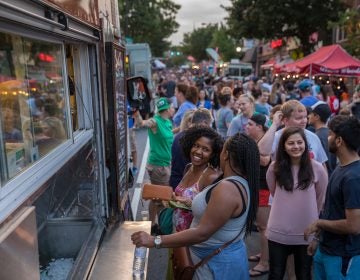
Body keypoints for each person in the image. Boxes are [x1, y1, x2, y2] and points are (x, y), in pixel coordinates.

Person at [131, 133, 260, 280]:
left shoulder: (227, 188)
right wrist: (190, 203)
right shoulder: (239, 182)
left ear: (226, 155)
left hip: (214, 266)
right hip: (218, 260)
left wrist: (155, 241)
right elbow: (216, 213)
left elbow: (201, 233)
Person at [266, 127, 328, 279]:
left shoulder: (318, 168)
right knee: (275, 274)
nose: (296, 146)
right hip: (278, 231)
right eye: (291, 143)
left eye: (300, 142)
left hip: (306, 231)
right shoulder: (275, 167)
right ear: (284, 146)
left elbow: (320, 199)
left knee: (304, 274)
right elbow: (274, 192)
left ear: (305, 144)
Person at [304, 115, 360, 279]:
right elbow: (332, 209)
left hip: (343, 257)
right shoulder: (342, 167)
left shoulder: (353, 177)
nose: (327, 137)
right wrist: (318, 238)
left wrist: (319, 223)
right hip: (327, 249)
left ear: (339, 140)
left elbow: (354, 226)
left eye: (331, 134)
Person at [173, 125, 223, 232]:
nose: (198, 151)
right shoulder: (188, 167)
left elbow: (212, 214)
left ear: (213, 154)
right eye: (196, 145)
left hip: (193, 238)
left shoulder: (210, 177)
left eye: (205, 149)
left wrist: (190, 204)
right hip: (176, 233)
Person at [134, 97, 174, 225]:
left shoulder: (167, 122)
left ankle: (153, 224)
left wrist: (183, 128)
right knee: (161, 198)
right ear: (167, 109)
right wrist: (137, 114)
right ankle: (158, 226)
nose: (173, 109)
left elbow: (169, 135)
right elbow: (142, 124)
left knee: (157, 197)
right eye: (172, 107)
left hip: (165, 164)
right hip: (158, 166)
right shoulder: (156, 121)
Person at [258, 100, 328, 165]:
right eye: (299, 118)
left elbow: (322, 164)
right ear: (286, 120)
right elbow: (262, 151)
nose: (304, 121)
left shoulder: (313, 137)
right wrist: (275, 124)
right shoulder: (277, 136)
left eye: (305, 117)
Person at [245, 114, 272, 277]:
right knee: (262, 227)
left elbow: (264, 160)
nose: (246, 126)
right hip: (257, 188)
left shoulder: (265, 142)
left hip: (265, 189)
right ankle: (264, 254)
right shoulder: (257, 141)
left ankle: (265, 263)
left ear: (260, 127)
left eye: (250, 124)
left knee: (264, 227)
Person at [169, 108, 213, 189]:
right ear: (204, 123)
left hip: (175, 180)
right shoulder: (195, 140)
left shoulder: (179, 136)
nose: (210, 128)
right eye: (210, 125)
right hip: (185, 184)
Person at [307, 101, 336, 175]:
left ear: (316, 117)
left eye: (310, 114)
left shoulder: (316, 137)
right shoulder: (331, 133)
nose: (308, 116)